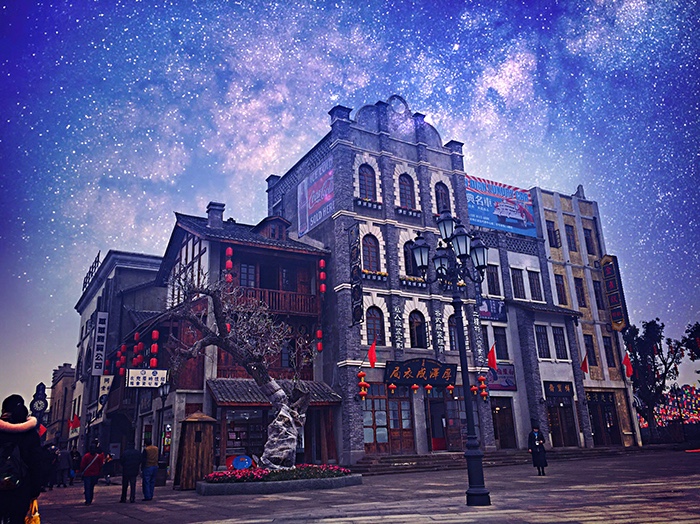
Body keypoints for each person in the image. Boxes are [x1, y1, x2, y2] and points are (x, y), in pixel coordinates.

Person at [0, 394, 44, 524]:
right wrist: (35, 490)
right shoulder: (30, 434)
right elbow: (36, 463)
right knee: (17, 519)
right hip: (21, 489)